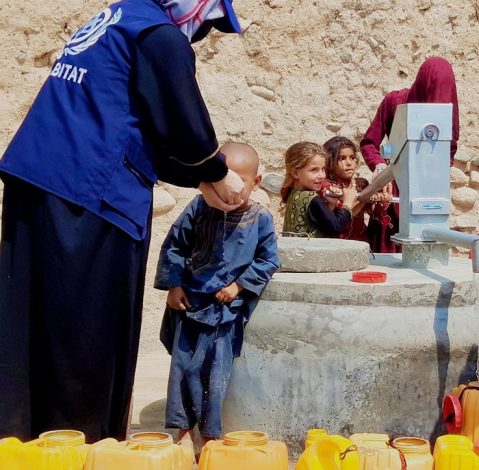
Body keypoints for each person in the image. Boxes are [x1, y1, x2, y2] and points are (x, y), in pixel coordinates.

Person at [0, 0, 245, 441]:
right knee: (85, 336)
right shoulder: (159, 35)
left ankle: (20, 440)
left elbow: (130, 120)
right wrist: (214, 170)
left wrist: (198, 176)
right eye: (206, 22)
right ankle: (78, 446)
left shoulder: (119, 18)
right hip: (89, 195)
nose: (200, 34)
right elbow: (181, 120)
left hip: (38, 179)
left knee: (30, 325)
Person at [155, 142, 279, 445]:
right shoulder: (198, 207)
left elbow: (268, 260)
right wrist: (174, 285)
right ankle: (183, 432)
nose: (230, 191)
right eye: (224, 180)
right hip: (190, 303)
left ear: (256, 182)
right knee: (182, 368)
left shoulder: (260, 219)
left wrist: (239, 285)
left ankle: (210, 437)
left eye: (241, 181)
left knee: (214, 372)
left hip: (225, 313)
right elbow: (175, 245)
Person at [360, 56, 459, 252]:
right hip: (391, 192)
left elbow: (445, 157)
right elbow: (370, 143)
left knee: (423, 252)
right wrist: (381, 166)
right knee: (387, 257)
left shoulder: (447, 117)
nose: (436, 97)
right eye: (432, 88)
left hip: (426, 195)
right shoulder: (395, 102)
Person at [281, 141, 358, 238]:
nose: (322, 176)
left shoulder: (294, 193)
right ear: (295, 173)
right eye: (314, 170)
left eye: (323, 169)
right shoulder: (312, 200)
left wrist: (331, 205)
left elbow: (323, 224)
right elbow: (336, 227)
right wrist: (347, 203)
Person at [323, 136, 390, 244]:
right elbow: (343, 216)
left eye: (352, 157)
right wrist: (364, 198)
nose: (349, 163)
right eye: (342, 158)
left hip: (361, 242)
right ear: (330, 162)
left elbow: (373, 214)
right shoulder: (329, 187)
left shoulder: (361, 184)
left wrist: (380, 201)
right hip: (337, 243)